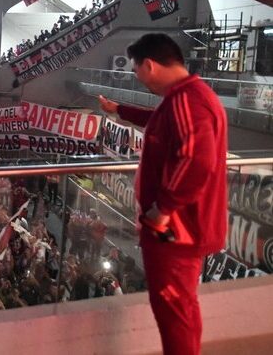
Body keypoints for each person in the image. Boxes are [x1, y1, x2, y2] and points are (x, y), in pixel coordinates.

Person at [98, 33, 227, 355]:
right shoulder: (188, 98)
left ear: (150, 65)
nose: (137, 77)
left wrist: (163, 210)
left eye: (136, 70)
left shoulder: (187, 100)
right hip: (182, 227)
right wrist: (121, 110)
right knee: (181, 307)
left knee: (173, 310)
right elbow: (164, 122)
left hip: (176, 230)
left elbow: (198, 159)